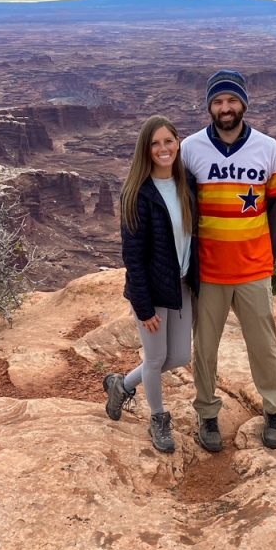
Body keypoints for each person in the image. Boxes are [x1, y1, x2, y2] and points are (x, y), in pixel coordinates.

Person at [180, 69, 276, 452]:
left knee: (264, 345)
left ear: (243, 103)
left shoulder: (268, 148)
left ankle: (274, 410)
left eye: (231, 100)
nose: (225, 108)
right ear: (209, 106)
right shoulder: (190, 148)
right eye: (218, 101)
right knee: (204, 348)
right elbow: (181, 206)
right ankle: (207, 414)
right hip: (209, 271)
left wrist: (268, 256)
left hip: (253, 269)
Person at [104, 115, 198, 454]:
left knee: (180, 355)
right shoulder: (137, 193)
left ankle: (121, 384)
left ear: (177, 143)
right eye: (155, 143)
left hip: (183, 285)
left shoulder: (187, 182)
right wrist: (143, 307)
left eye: (168, 141)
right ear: (146, 149)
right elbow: (133, 255)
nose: (163, 149)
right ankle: (158, 419)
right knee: (156, 358)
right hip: (153, 290)